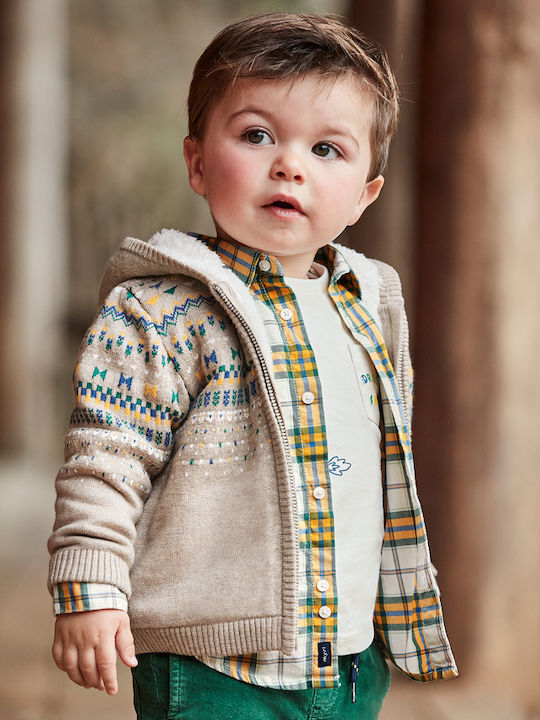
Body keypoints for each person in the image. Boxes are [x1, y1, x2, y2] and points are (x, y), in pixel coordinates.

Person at [48, 12, 457, 719]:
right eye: (257, 135)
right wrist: (90, 589)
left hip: (348, 661)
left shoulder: (368, 305)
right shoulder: (162, 312)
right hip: (214, 670)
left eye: (327, 148)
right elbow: (106, 461)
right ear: (198, 162)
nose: (289, 164)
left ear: (366, 193)